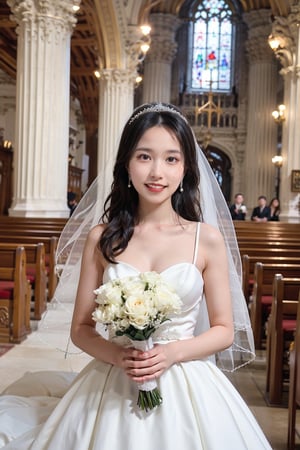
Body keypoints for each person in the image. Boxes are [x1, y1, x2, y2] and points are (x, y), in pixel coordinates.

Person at [0, 103, 271, 449]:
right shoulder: (102, 237)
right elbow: (81, 330)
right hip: (115, 375)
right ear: (127, 164)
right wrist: (117, 356)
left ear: (186, 168)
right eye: (145, 156)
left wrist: (172, 353)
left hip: (185, 376)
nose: (157, 172)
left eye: (171, 159)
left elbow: (223, 331)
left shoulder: (207, 239)